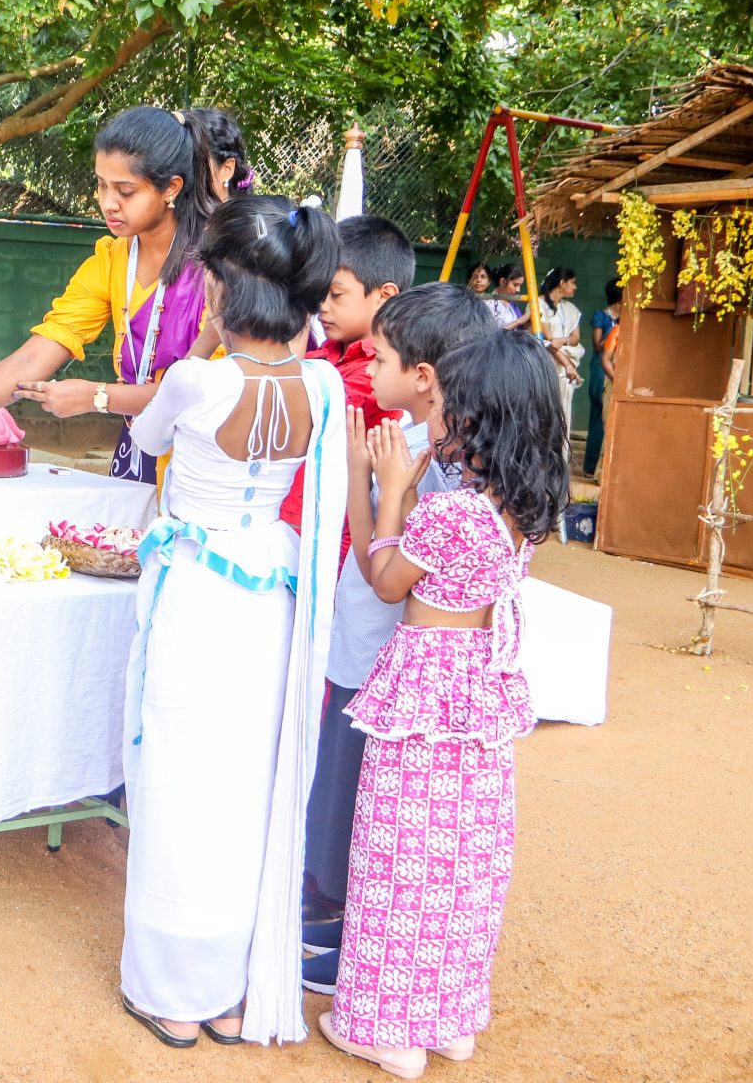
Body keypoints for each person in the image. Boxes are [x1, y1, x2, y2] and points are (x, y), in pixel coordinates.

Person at [118, 193, 346, 1048]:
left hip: (199, 593)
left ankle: (171, 988)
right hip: (270, 595)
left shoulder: (198, 377)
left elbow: (146, 440)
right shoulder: (319, 384)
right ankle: (228, 991)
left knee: (181, 781)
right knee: (246, 785)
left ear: (221, 286)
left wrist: (211, 341)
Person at [318, 329, 571, 1078]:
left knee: (397, 856)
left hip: (426, 683)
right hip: (478, 691)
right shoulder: (519, 507)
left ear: (478, 417)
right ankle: (449, 1018)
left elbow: (385, 581)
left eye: (451, 407)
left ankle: (383, 1027)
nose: (438, 416)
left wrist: (384, 489)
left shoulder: (452, 510)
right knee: (463, 861)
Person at [296, 284, 500, 994]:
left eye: (377, 358)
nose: (367, 369)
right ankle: (337, 921)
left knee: (370, 810)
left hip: (396, 664)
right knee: (343, 794)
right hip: (370, 650)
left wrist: (365, 480)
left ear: (422, 376)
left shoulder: (427, 458)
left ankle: (354, 939)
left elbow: (383, 570)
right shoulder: (412, 443)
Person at [0, 105, 246, 482]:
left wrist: (99, 396)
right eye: (101, 185)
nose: (108, 203)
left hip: (207, 462)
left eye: (125, 191)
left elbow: (204, 390)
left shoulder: (222, 265)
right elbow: (31, 360)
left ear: (172, 189)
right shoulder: (111, 259)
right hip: (137, 450)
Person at [278, 215, 415, 556]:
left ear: (384, 296)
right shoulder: (325, 355)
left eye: (336, 294)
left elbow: (294, 410)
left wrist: (294, 322)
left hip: (332, 541)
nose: (321, 305)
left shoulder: (374, 375)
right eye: (320, 292)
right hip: (294, 525)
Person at [537, 267, 585, 442]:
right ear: (562, 283)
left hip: (565, 375)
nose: (575, 287)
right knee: (543, 416)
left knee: (563, 415)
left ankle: (559, 463)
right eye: (572, 282)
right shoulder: (538, 304)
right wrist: (568, 364)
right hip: (545, 369)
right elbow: (547, 342)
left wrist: (562, 340)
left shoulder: (571, 308)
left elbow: (575, 339)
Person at [585, 279, 622, 477]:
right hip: (601, 365)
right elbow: (597, 345)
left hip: (613, 366)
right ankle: (590, 467)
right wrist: (613, 335)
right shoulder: (602, 315)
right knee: (598, 413)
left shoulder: (626, 318)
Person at [485, 262, 529, 330]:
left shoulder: (510, 303)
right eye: (515, 285)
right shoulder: (490, 304)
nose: (518, 290)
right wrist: (518, 321)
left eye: (520, 286)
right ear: (502, 281)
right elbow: (493, 334)